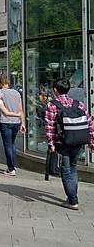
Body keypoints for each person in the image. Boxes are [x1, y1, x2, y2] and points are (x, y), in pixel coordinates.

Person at [45, 78, 94, 210]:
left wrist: (51, 144)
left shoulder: (52, 105)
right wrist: (91, 140)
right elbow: (89, 122)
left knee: (66, 171)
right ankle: (72, 196)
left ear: (55, 90)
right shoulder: (78, 104)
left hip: (62, 142)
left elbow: (49, 126)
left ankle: (72, 201)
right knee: (73, 168)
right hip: (78, 141)